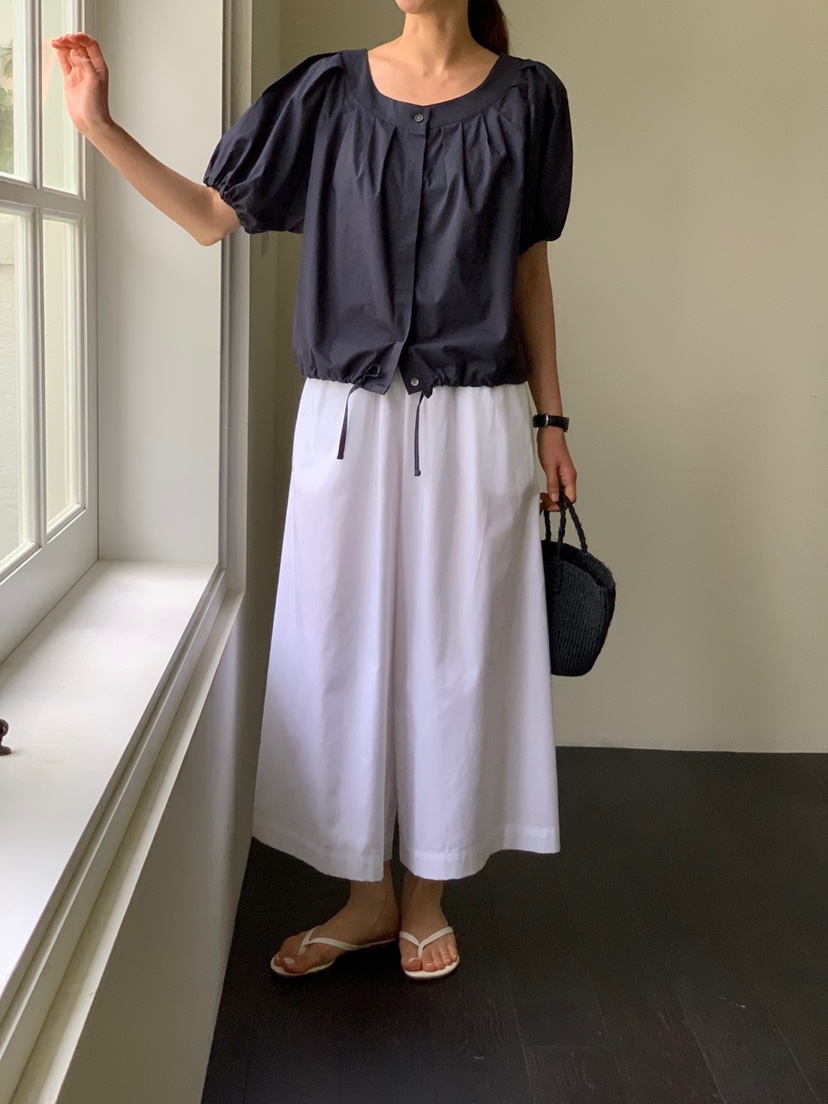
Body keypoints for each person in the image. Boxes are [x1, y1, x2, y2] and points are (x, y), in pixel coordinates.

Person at [52, 0, 577, 983]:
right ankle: (365, 897)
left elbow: (529, 270)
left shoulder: (530, 100)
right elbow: (211, 217)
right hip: (347, 417)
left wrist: (553, 421)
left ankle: (428, 893)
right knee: (337, 644)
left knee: (460, 648)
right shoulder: (328, 93)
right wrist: (98, 128)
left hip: (475, 414)